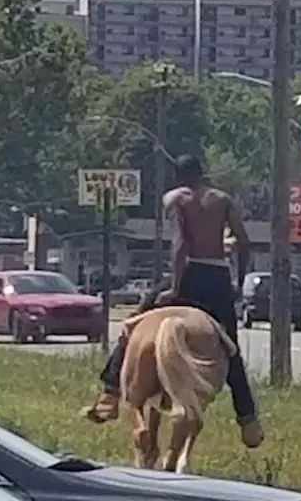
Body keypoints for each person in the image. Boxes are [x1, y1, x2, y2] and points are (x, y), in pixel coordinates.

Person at [82, 155, 264, 448]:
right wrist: (238, 283)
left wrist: (174, 288)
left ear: (179, 178)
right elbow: (243, 243)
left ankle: (110, 393)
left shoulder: (178, 201)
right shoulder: (223, 200)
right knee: (230, 350)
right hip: (218, 277)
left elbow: (179, 246)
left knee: (134, 324)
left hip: (189, 273)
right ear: (202, 174)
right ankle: (248, 419)